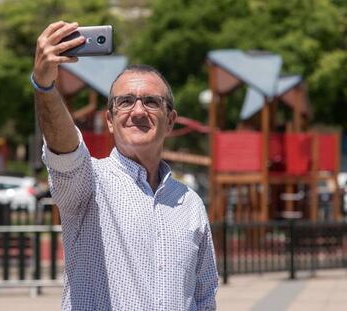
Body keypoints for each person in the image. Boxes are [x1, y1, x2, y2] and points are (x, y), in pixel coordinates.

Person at [32, 21, 218, 310]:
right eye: (126, 101)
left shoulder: (190, 204)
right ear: (110, 120)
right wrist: (44, 86)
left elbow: (205, 297)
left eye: (152, 102)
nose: (139, 111)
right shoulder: (88, 183)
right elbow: (65, 150)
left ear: (170, 121)